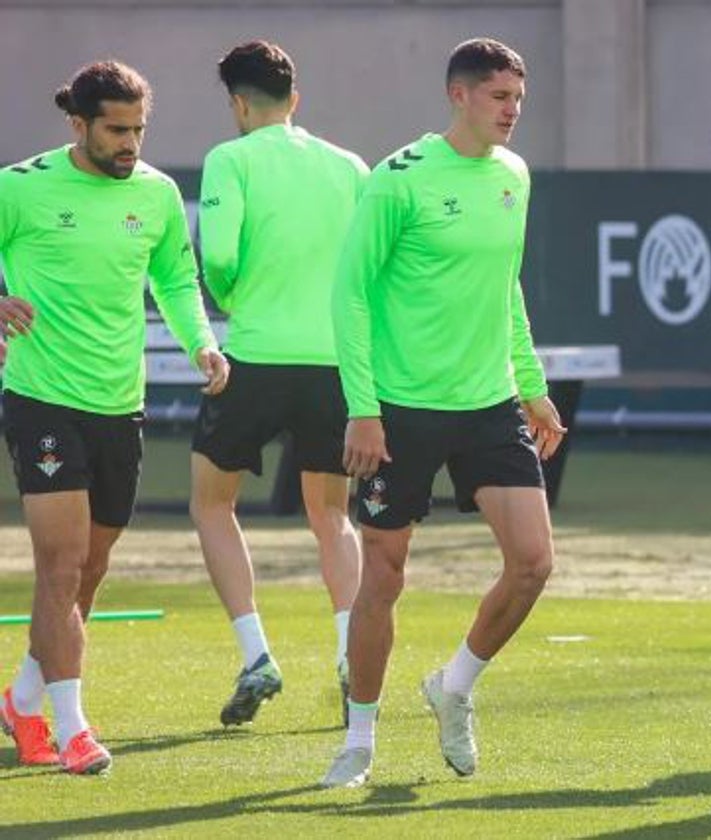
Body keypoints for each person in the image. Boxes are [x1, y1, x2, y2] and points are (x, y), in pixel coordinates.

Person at [319, 37, 565, 789]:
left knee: (533, 564)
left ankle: (454, 686)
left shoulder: (515, 176)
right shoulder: (400, 180)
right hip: (401, 410)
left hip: (489, 403)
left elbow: (506, 286)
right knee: (384, 580)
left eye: (518, 98)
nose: (512, 111)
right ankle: (359, 740)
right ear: (458, 96)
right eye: (499, 97)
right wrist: (364, 409)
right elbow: (350, 293)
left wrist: (531, 381)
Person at [0, 60, 227, 775]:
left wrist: (202, 343)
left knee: (90, 570)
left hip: (118, 404)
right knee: (61, 567)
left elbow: (175, 278)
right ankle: (71, 731)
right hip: (41, 397)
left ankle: (21, 699)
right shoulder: (20, 186)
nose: (131, 143)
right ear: (79, 125)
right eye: (116, 130)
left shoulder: (157, 195)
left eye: (139, 130)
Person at [189, 40, 369, 728]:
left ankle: (256, 653)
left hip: (257, 356)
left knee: (212, 505)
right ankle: (354, 656)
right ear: (296, 100)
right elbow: (368, 266)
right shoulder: (350, 166)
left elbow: (222, 260)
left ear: (237, 103)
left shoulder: (229, 160)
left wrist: (236, 295)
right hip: (333, 364)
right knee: (332, 516)